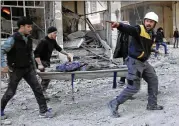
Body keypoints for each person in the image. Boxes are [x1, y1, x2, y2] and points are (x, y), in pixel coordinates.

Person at [108, 12, 163, 118]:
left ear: (155, 23)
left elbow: (145, 45)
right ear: (144, 21)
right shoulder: (139, 29)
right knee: (134, 87)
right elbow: (130, 29)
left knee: (153, 79)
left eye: (151, 22)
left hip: (143, 62)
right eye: (147, 21)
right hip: (134, 62)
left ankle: (152, 104)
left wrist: (153, 50)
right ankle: (114, 103)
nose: (148, 23)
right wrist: (119, 25)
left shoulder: (151, 34)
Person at [1, 17, 54, 119]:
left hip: (28, 69)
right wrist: (3, 65)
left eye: (31, 27)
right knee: (11, 92)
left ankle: (43, 111)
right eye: (28, 27)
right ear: (22, 27)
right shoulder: (13, 39)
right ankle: (0, 110)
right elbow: (1, 50)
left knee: (37, 88)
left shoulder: (29, 39)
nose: (31, 29)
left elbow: (30, 55)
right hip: (16, 70)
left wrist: (34, 68)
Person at [34, 26, 72, 98]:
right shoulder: (43, 41)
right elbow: (36, 53)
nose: (56, 34)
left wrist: (67, 54)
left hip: (47, 61)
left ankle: (41, 92)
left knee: (46, 77)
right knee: (47, 77)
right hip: (41, 61)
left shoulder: (53, 41)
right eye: (55, 33)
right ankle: (42, 93)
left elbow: (59, 49)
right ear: (50, 33)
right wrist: (39, 64)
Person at [113, 21, 131, 86]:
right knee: (126, 65)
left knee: (127, 65)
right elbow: (119, 43)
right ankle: (126, 80)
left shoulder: (131, 34)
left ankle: (123, 80)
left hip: (130, 52)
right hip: (123, 51)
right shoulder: (120, 33)